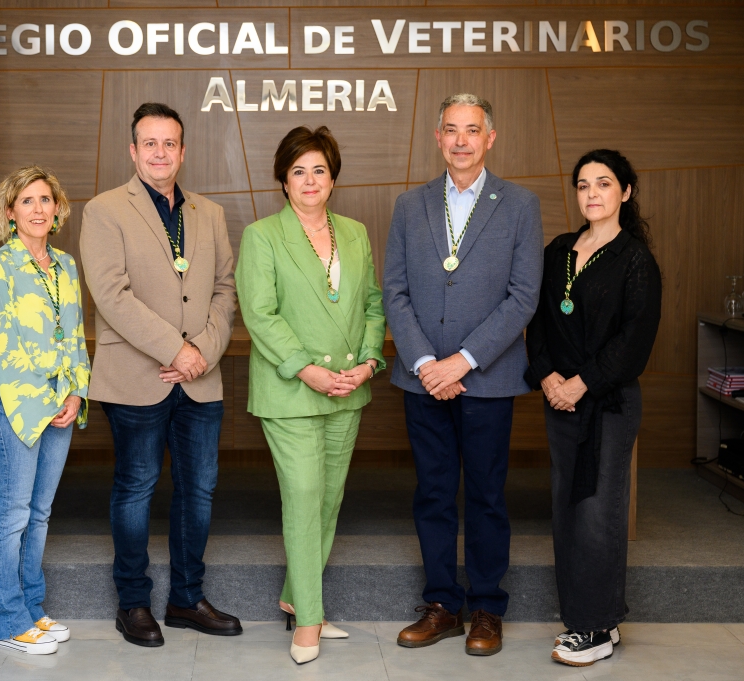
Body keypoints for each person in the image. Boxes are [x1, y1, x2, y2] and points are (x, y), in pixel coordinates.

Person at [383, 93, 544, 656]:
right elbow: (395, 292)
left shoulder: (520, 204)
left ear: (489, 138)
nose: (460, 140)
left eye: (471, 130)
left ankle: (485, 609)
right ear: (437, 137)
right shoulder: (410, 204)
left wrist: (464, 360)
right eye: (451, 129)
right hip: (421, 379)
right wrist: (427, 363)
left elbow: (524, 297)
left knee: (485, 495)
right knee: (431, 493)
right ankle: (442, 605)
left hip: (489, 379)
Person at [79, 103, 240, 647]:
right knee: (136, 488)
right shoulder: (104, 210)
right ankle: (132, 604)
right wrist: (176, 347)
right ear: (133, 150)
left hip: (201, 376)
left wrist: (201, 352)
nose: (160, 152)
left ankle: (186, 599)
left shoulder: (209, 213)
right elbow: (111, 295)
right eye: (149, 143)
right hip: (135, 378)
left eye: (169, 143)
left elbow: (224, 289)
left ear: (183, 151)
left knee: (199, 490)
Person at [236, 126, 386, 664]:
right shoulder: (262, 236)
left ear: (333, 177)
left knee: (327, 499)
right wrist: (307, 370)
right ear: (282, 179)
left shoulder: (355, 232)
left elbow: (372, 303)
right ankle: (309, 622)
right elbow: (260, 314)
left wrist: (369, 362)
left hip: (349, 388)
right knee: (302, 498)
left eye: (319, 170)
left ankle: (298, 598)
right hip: (292, 392)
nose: (309, 180)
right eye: (298, 170)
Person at [525, 149, 661, 667]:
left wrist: (581, 382)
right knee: (566, 511)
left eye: (603, 184)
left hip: (607, 404)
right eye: (583, 185)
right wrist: (547, 376)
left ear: (625, 192)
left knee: (598, 514)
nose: (592, 194)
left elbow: (634, 344)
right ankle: (591, 618)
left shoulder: (635, 260)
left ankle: (595, 629)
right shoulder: (558, 249)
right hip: (559, 401)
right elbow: (536, 324)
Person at [0, 166, 91, 654]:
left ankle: (32, 609)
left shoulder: (66, 265)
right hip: (14, 408)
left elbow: (78, 339)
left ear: (58, 208)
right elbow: (2, 351)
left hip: (60, 407)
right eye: (27, 201)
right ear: (10, 213)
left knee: (40, 513)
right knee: (12, 514)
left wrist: (75, 394)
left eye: (46, 199)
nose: (39, 209)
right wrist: (48, 402)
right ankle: (7, 621)